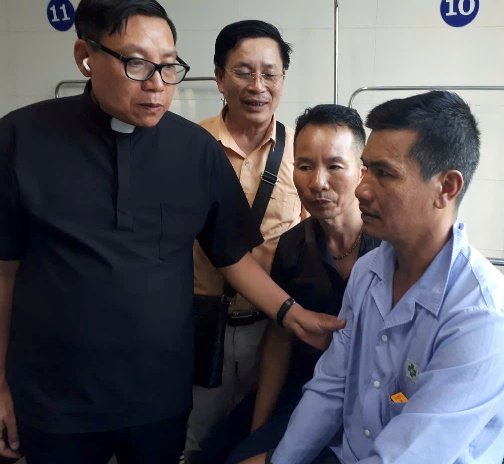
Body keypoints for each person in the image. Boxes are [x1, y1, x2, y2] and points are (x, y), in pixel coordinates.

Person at [0, 2, 341, 463]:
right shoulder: (21, 139)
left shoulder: (195, 151)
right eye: (137, 64)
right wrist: (0, 384)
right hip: (55, 401)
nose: (157, 85)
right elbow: (4, 273)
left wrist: (292, 314)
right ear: (85, 55)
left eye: (168, 67)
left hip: (158, 399)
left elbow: (232, 256)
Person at [240, 91, 504, 464]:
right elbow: (332, 386)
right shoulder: (369, 272)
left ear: (446, 188)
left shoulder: (481, 316)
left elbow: (410, 455)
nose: (362, 189)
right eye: (367, 168)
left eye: (385, 173)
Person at [193, 104, 380, 464]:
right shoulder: (294, 247)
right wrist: (257, 429)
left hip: (370, 396)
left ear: (362, 170)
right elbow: (279, 341)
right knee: (219, 453)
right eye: (305, 166)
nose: (317, 182)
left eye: (335, 166)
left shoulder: (389, 247)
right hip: (304, 387)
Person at [186, 20, 308, 462]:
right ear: (219, 77)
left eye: (269, 73)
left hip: (273, 328)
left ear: (282, 79)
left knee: (259, 437)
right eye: (243, 71)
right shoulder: (187, 147)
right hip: (197, 324)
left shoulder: (304, 155)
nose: (258, 86)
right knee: (195, 437)